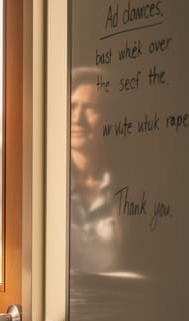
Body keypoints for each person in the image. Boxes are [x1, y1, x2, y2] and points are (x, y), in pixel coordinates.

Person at [70, 67, 119, 272]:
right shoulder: (44, 186)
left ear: (109, 119)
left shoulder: (124, 190)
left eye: (90, 108)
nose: (77, 118)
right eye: (72, 106)